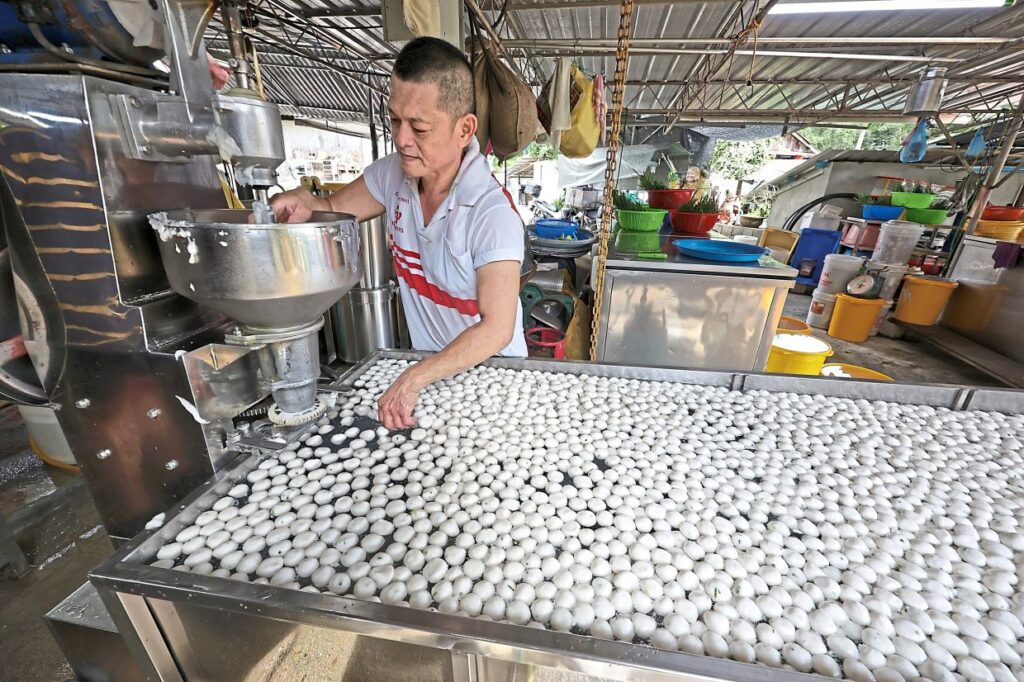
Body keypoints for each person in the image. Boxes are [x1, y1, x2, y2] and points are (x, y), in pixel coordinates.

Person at [270, 37, 527, 430]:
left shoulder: (491, 214)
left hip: (492, 381)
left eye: (420, 127)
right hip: (428, 379)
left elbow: (496, 329)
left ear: (464, 129)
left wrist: (415, 377)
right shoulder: (394, 173)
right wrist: (307, 204)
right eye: (395, 120)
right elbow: (330, 211)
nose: (402, 139)